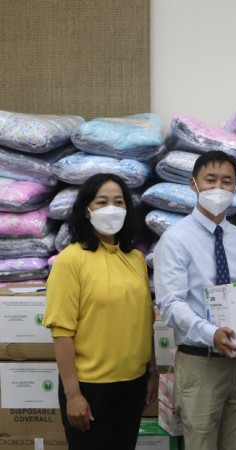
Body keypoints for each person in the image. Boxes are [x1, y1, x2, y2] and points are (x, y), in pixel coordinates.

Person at [153, 150, 236, 450]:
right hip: (201, 363)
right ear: (194, 184)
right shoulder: (175, 239)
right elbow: (170, 305)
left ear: (235, 187)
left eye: (227, 181)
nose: (218, 188)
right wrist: (211, 333)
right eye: (210, 180)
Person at [43, 173, 157, 450]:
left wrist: (152, 371)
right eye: (102, 202)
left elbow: (145, 320)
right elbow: (61, 332)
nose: (111, 209)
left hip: (133, 384)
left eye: (119, 202)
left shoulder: (136, 259)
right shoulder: (70, 261)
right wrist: (73, 394)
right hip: (90, 388)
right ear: (87, 210)